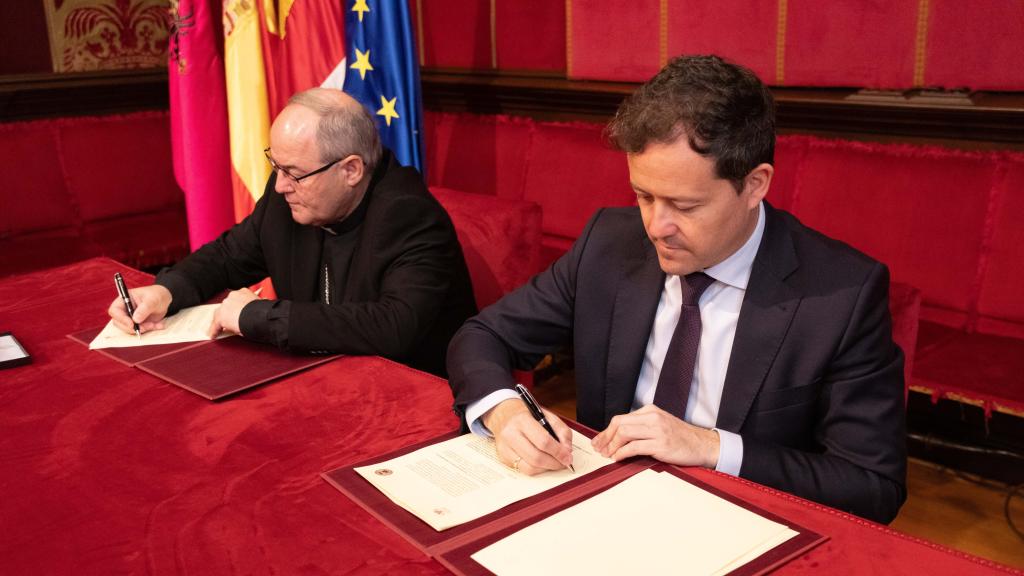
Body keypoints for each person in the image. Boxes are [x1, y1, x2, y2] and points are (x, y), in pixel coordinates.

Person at [446, 55, 906, 523]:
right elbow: (483, 335)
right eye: (644, 196)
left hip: (739, 523)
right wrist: (504, 411)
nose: (655, 227)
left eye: (685, 206)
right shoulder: (609, 244)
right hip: (603, 512)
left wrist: (710, 446)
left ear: (755, 185)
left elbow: (872, 486)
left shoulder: (841, 294)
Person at [109, 88, 477, 377]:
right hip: (319, 379)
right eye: (276, 166)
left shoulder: (409, 215)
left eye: (294, 174)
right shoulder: (290, 194)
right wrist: (166, 290)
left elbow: (392, 326)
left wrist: (260, 317)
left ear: (350, 170)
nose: (281, 185)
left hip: (408, 394)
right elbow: (230, 255)